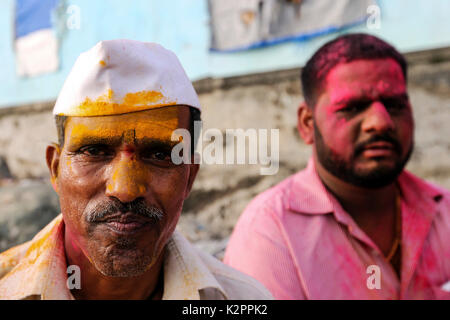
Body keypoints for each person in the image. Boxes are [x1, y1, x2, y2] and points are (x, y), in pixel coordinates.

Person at [0, 39, 272, 300]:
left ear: (190, 176)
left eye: (158, 155)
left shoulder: (241, 298)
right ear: (55, 168)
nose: (125, 190)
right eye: (94, 152)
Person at [224, 33, 450, 299]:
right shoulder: (270, 231)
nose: (380, 122)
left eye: (394, 105)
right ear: (308, 124)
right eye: (353, 108)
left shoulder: (443, 211)